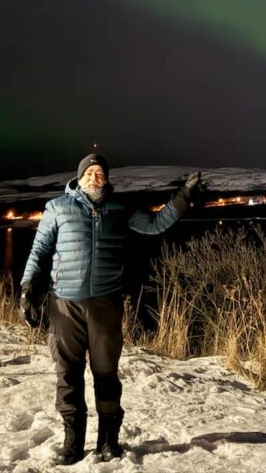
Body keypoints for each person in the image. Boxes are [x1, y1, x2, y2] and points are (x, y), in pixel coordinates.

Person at [19, 153, 203, 464]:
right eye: (89, 172)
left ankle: (108, 440)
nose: (94, 176)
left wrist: (183, 197)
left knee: (106, 374)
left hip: (105, 304)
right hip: (65, 305)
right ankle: (73, 441)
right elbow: (39, 251)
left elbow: (156, 224)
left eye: (100, 172)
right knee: (69, 375)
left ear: (106, 178)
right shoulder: (57, 208)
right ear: (79, 177)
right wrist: (27, 289)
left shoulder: (120, 208)